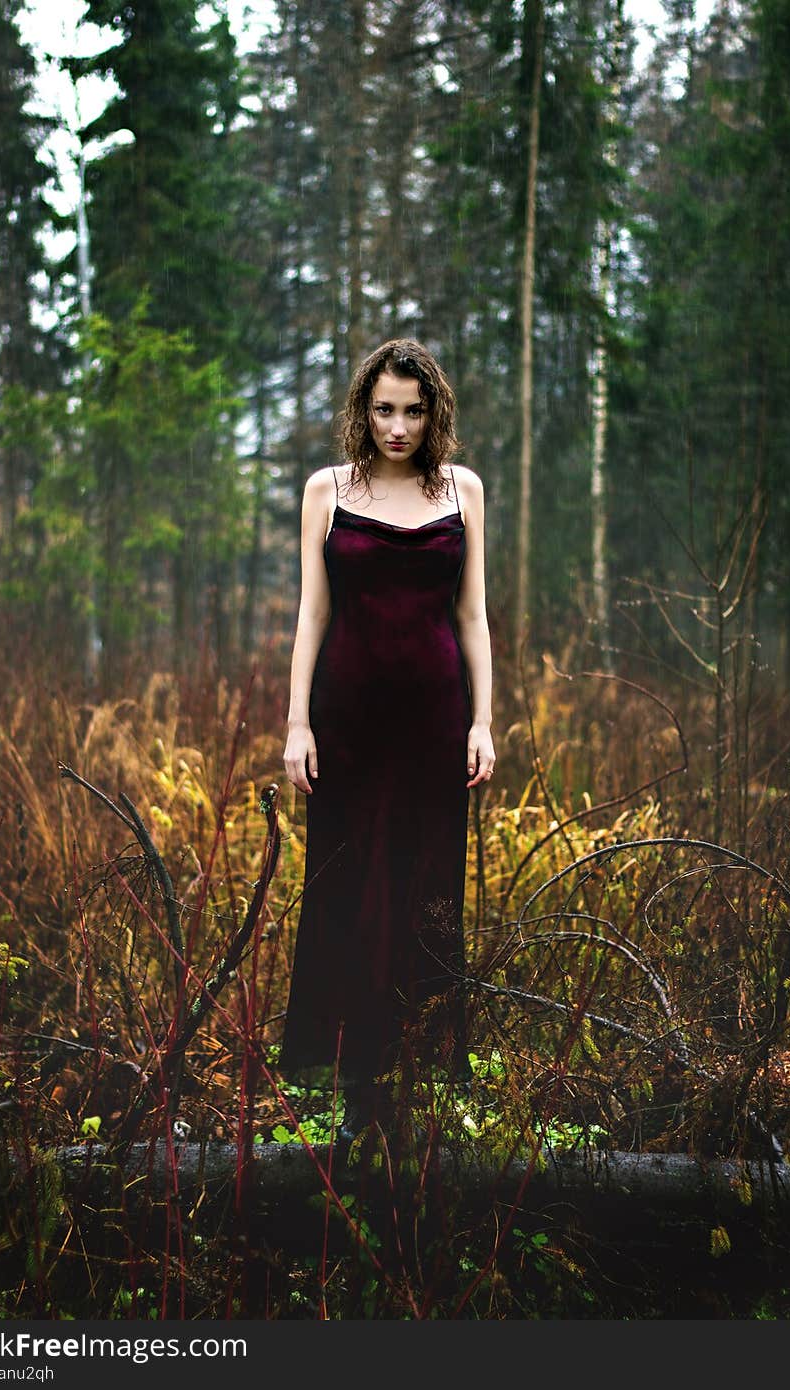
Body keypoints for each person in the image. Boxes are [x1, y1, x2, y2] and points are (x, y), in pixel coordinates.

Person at [280, 339, 494, 1137]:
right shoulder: (326, 490)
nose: (398, 426)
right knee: (349, 883)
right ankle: (354, 1080)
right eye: (383, 410)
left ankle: (421, 1068)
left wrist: (483, 721)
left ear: (433, 412)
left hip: (436, 718)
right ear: (362, 412)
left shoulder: (462, 491)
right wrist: (298, 720)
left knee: (426, 883)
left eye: (413, 410)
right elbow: (312, 614)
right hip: (348, 719)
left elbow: (472, 617)